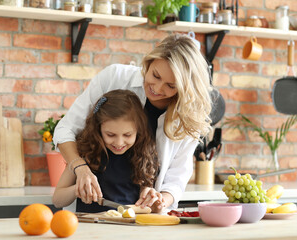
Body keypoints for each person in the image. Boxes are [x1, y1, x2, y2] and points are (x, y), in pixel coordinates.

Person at [53, 33, 212, 210]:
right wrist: (80, 168)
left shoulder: (147, 156)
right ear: (149, 63)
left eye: (171, 86)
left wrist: (159, 200)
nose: (158, 89)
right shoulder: (115, 77)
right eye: (156, 76)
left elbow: (177, 179)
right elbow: (66, 129)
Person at [52, 89, 162, 213]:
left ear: (139, 130)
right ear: (98, 129)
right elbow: (57, 200)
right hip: (92, 228)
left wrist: (152, 201)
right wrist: (78, 189)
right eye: (110, 135)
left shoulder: (144, 156)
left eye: (127, 135)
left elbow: (146, 203)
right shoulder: (85, 152)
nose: (119, 143)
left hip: (129, 229)